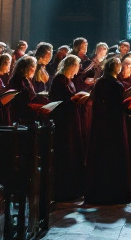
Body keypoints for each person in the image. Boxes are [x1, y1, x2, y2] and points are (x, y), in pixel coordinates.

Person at [85, 57, 131, 205]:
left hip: (100, 124)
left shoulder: (100, 83)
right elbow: (118, 106)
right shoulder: (116, 84)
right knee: (114, 156)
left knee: (101, 156)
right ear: (115, 68)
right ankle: (115, 193)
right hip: (114, 125)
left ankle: (99, 192)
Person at [49, 54, 87, 201]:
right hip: (64, 123)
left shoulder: (68, 80)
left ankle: (74, 189)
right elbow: (60, 101)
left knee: (73, 153)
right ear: (71, 66)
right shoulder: (59, 80)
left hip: (72, 120)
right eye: (77, 66)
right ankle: (64, 191)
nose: (78, 69)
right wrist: (74, 100)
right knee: (66, 153)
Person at [7, 55, 40, 124]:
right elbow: (23, 99)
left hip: (26, 113)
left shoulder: (24, 79)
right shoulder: (19, 80)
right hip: (21, 116)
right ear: (29, 68)